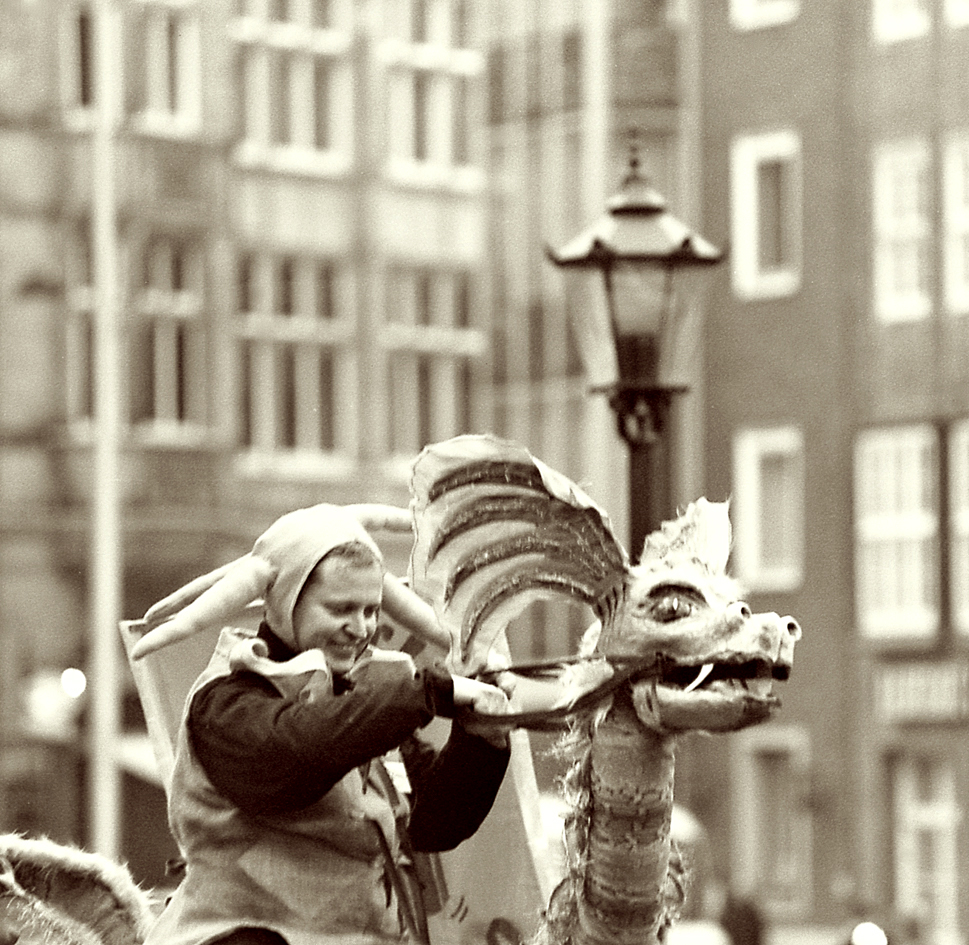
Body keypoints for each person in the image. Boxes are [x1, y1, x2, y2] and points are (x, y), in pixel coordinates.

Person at [134, 503, 513, 945]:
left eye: (372, 610)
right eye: (341, 609)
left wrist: (482, 733)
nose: (362, 628)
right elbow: (297, 751)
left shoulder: (361, 697)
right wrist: (428, 692)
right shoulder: (225, 700)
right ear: (286, 600)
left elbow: (433, 822)